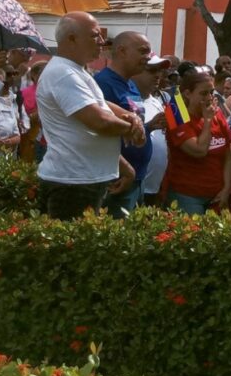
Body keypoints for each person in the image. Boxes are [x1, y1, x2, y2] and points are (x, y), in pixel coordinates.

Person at [34, 12, 144, 220]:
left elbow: (101, 107)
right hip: (72, 183)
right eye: (95, 36)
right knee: (71, 240)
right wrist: (133, 127)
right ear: (72, 39)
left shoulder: (77, 71)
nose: (102, 41)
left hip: (84, 179)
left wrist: (132, 118)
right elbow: (99, 121)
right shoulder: (64, 73)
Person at [92, 31, 159, 217]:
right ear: (122, 51)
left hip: (138, 177)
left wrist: (148, 127)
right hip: (117, 179)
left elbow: (133, 126)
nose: (148, 57)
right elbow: (98, 133)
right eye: (143, 51)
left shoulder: (131, 84)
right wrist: (124, 169)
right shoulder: (102, 84)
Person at [164, 70, 231, 213]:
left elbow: (229, 153)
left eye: (211, 92)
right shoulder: (175, 115)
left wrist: (226, 188)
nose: (209, 97)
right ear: (188, 94)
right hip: (187, 195)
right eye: (203, 93)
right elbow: (199, 151)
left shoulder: (216, 113)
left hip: (217, 195)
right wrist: (208, 121)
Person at [133, 59, 171, 205]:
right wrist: (148, 126)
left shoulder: (159, 101)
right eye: (152, 70)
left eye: (159, 71)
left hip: (155, 188)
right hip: (131, 184)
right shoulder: (125, 98)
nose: (158, 75)